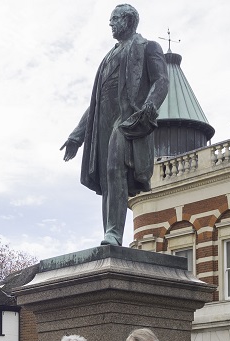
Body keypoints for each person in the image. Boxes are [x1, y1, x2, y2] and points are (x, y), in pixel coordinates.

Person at [61, 3, 168, 246]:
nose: (110, 24)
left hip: (128, 120)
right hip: (103, 124)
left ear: (129, 21)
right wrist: (76, 136)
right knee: (107, 179)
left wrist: (150, 104)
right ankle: (110, 233)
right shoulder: (107, 57)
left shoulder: (148, 47)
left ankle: (114, 233)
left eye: (115, 19)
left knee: (115, 169)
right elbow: (95, 103)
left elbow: (161, 80)